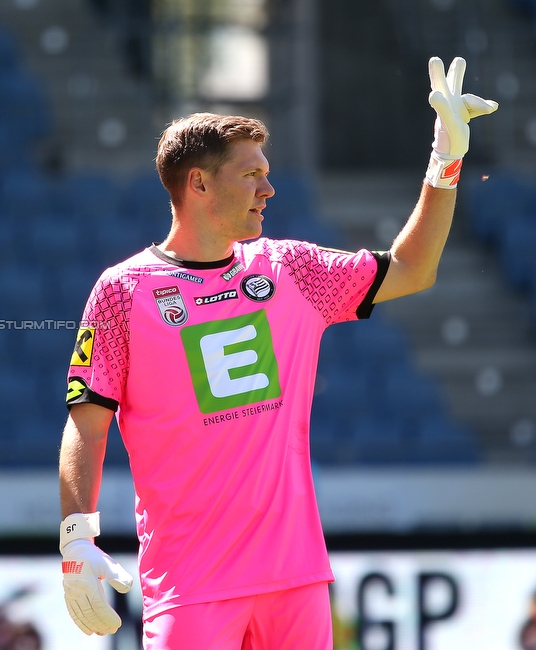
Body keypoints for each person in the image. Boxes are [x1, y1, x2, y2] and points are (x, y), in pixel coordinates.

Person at [57, 57, 498, 649]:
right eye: (251, 175)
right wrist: (76, 538)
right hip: (190, 585)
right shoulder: (122, 291)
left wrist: (445, 162)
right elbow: (87, 423)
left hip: (295, 578)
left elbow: (414, 269)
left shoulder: (292, 270)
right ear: (200, 184)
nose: (268, 188)